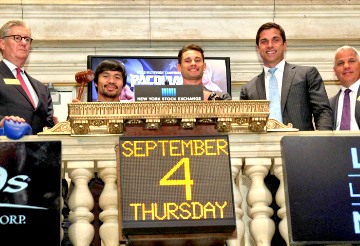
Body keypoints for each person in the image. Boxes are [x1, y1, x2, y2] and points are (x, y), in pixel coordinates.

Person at [240, 22, 333, 131]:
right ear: (258, 48)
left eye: (275, 40)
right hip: (263, 147)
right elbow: (244, 127)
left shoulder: (306, 74)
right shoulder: (248, 89)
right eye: (264, 41)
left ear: (284, 45)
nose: (270, 45)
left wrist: (320, 142)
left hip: (301, 146)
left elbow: (323, 112)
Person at [0, 19, 56, 134]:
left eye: (27, 39)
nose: (24, 43)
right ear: (2, 44)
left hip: (40, 151)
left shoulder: (42, 89)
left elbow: (49, 128)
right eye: (17, 38)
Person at [330, 45, 360, 130]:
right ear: (335, 71)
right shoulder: (329, 104)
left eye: (351, 61)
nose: (346, 66)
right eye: (340, 63)